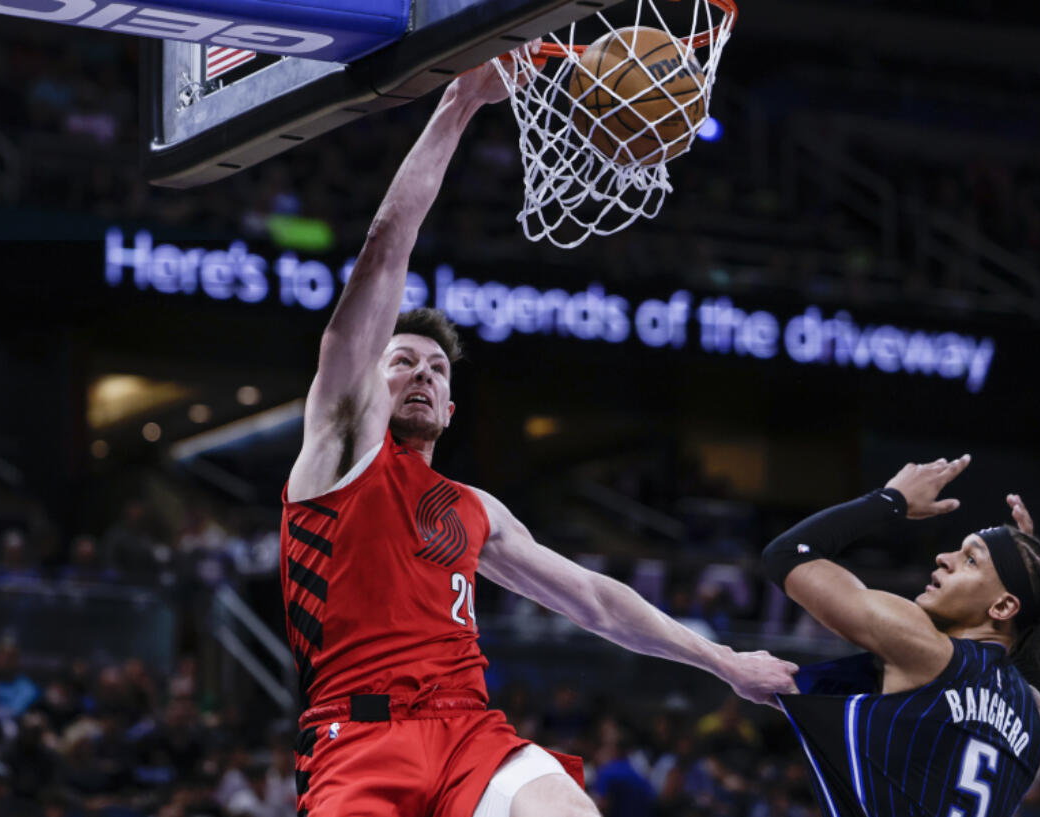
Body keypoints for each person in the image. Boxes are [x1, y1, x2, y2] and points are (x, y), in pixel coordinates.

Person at [279, 54, 798, 817]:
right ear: (366, 381)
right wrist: (459, 103)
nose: (419, 374)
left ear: (452, 408)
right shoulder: (336, 450)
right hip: (357, 739)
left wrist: (725, 662)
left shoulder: (474, 509)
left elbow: (593, 598)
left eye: (435, 370)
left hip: (467, 733)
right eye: (401, 362)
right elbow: (388, 243)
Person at [760, 456, 1040, 817]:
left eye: (971, 560)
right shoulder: (1033, 715)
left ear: (1002, 607)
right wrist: (1030, 604)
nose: (943, 558)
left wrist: (891, 499)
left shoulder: (927, 648)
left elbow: (786, 555)